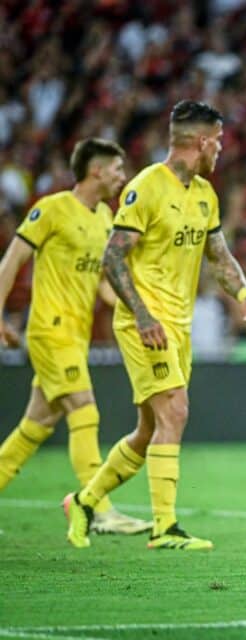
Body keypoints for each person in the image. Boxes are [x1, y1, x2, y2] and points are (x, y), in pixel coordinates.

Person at [63, 101, 246, 550]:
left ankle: (85, 500)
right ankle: (165, 526)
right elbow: (112, 256)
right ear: (201, 141)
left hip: (178, 324)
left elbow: (220, 256)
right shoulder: (147, 187)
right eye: (218, 141)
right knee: (176, 409)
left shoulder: (205, 195)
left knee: (150, 429)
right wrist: (141, 314)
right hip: (145, 322)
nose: (221, 150)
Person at [0, 138, 150, 535]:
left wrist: (135, 314)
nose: (123, 177)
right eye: (117, 169)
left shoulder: (105, 217)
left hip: (76, 335)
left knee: (36, 425)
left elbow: (102, 282)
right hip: (50, 329)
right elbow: (13, 258)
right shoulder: (51, 208)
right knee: (85, 409)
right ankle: (98, 509)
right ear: (97, 170)